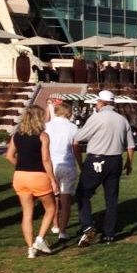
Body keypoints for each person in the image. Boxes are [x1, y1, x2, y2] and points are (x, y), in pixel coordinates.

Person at [73, 90, 135, 247]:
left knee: (82, 193)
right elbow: (130, 145)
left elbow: (78, 138)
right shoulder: (122, 119)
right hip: (116, 160)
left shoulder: (97, 117)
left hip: (97, 159)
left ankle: (88, 226)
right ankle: (109, 233)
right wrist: (129, 162)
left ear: (101, 102)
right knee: (111, 198)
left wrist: (80, 163)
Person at [5, 105, 58, 258]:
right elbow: (46, 160)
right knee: (51, 208)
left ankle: (30, 249)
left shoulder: (17, 135)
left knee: (27, 213)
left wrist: (22, 165)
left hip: (20, 176)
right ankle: (39, 239)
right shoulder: (43, 136)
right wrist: (53, 180)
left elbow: (9, 156)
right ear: (38, 118)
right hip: (38, 176)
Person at [45, 102, 79, 241]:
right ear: (68, 113)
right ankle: (63, 231)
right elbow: (76, 147)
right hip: (67, 164)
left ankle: (55, 225)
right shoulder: (73, 127)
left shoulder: (47, 126)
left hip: (51, 165)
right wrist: (80, 164)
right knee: (66, 200)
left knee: (53, 198)